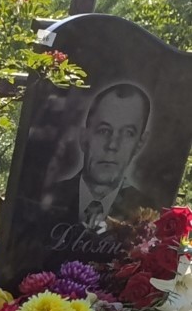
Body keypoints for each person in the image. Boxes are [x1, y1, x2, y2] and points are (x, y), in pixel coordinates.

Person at [39, 80, 153, 230]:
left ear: (140, 143)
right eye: (103, 130)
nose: (112, 145)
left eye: (128, 133)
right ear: (84, 138)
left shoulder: (149, 215)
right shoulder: (46, 197)